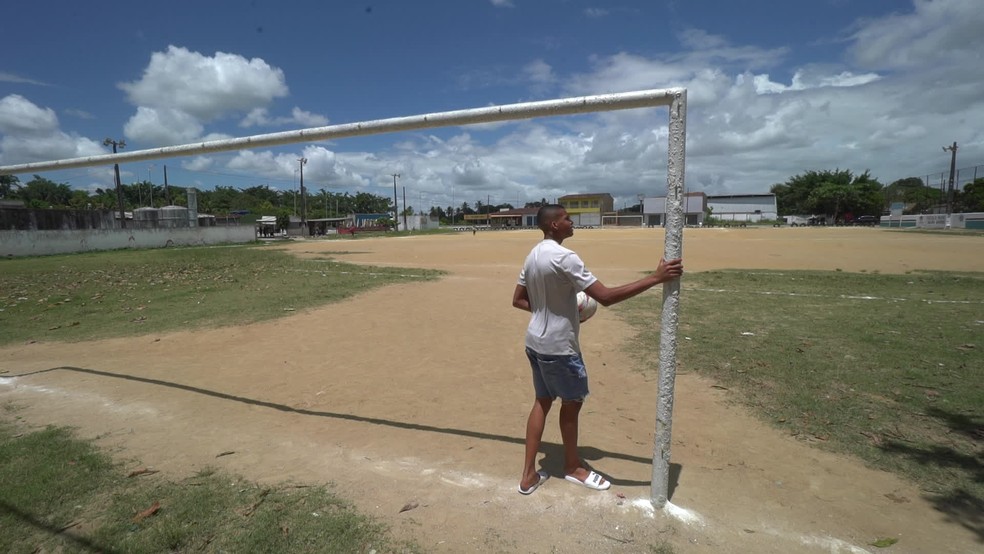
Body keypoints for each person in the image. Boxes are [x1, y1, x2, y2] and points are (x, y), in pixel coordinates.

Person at [512, 204, 683, 494]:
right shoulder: (565, 257)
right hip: (560, 348)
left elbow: (518, 299)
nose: (571, 221)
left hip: (535, 342)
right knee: (571, 403)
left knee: (542, 401)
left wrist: (554, 311)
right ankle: (573, 467)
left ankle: (529, 475)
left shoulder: (533, 255)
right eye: (567, 218)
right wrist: (656, 278)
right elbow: (605, 297)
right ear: (554, 225)